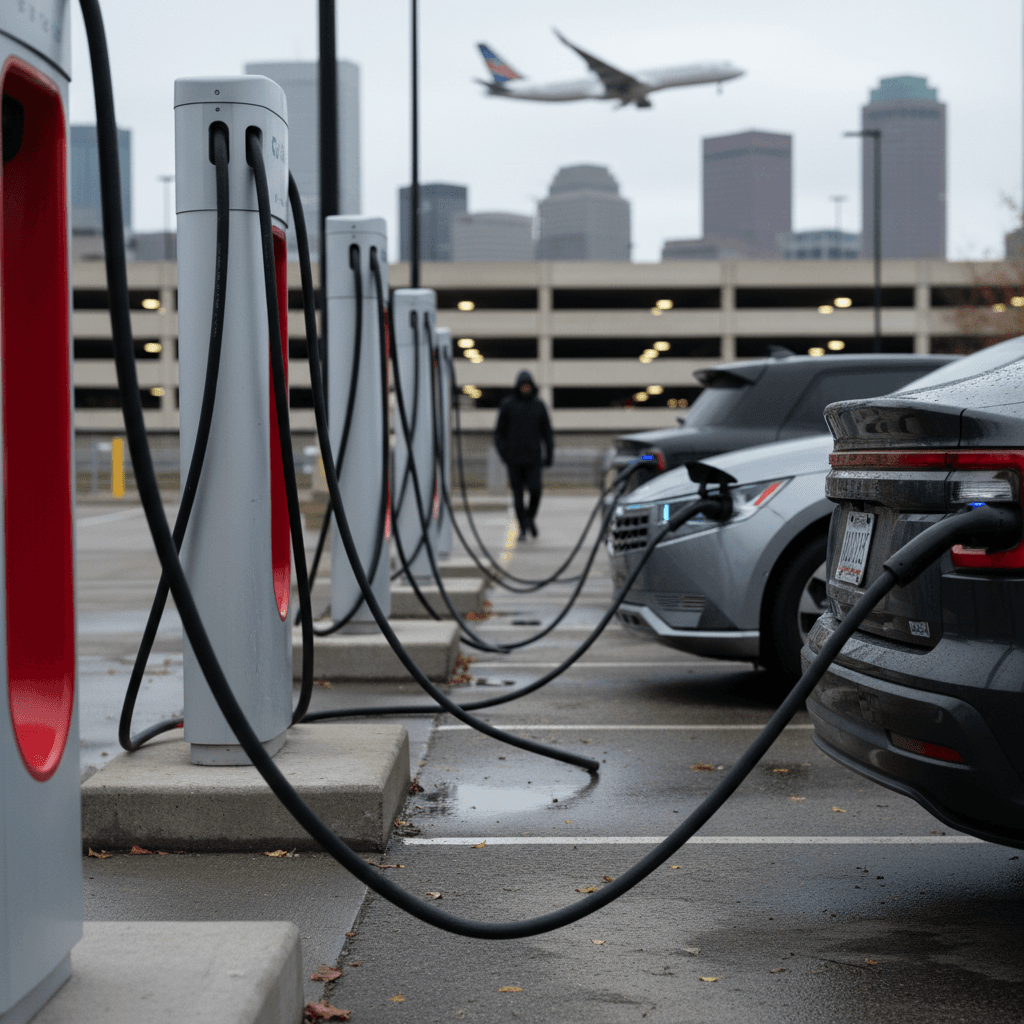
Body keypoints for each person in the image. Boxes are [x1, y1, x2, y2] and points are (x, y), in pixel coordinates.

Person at [494, 370, 553, 538]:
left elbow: (547, 433)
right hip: (514, 459)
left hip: (534, 459)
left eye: (528, 386)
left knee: (536, 490)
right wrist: (503, 454)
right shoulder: (507, 405)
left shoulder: (539, 406)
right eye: (523, 386)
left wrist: (549, 455)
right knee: (517, 496)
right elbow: (499, 433)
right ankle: (522, 527)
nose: (525, 388)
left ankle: (529, 518)